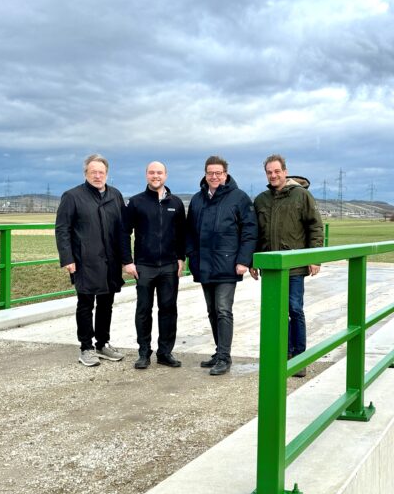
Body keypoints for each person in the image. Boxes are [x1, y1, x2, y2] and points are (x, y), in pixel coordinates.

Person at [54, 154, 132, 367]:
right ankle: (86, 347)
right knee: (86, 304)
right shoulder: (72, 196)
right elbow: (62, 229)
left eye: (101, 172)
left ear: (107, 174)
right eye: (93, 172)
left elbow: (123, 230)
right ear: (86, 174)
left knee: (107, 304)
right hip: (84, 260)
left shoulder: (115, 195)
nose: (98, 176)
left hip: (110, 261)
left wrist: (127, 259)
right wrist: (67, 258)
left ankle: (102, 343)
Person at [251, 154, 324, 378]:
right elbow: (255, 233)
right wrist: (252, 260)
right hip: (271, 268)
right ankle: (280, 356)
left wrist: (314, 257)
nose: (273, 175)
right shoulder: (261, 200)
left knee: (294, 309)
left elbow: (315, 226)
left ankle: (298, 358)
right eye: (269, 172)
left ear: (285, 171)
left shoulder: (301, 196)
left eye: (277, 171)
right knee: (275, 313)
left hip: (294, 266)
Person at [186, 155, 257, 376]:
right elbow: (189, 231)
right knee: (211, 311)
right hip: (204, 264)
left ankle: (225, 358)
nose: (214, 176)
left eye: (218, 172)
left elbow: (249, 230)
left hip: (227, 264)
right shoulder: (198, 199)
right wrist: (191, 254)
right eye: (210, 173)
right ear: (205, 174)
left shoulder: (239, 198)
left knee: (223, 310)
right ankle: (219, 352)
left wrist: (244, 260)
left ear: (225, 174)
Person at [122, 161, 186, 370]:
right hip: (144, 266)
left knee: (168, 309)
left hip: (169, 265)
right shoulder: (136, 202)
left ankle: (165, 352)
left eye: (159, 172)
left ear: (166, 175)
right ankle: (143, 352)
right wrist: (128, 261)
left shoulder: (175, 203)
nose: (155, 176)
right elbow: (124, 233)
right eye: (151, 172)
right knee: (143, 309)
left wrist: (180, 257)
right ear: (146, 175)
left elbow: (181, 234)